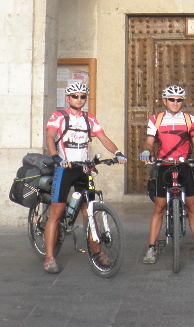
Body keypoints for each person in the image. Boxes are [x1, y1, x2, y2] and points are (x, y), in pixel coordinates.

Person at [44, 82, 127, 274]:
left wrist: (118, 153)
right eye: (75, 96)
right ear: (68, 98)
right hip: (64, 168)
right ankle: (49, 257)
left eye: (83, 97)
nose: (79, 100)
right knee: (56, 212)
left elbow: (103, 137)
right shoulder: (59, 116)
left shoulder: (89, 119)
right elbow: (50, 137)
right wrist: (56, 157)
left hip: (83, 169)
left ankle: (96, 252)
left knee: (88, 212)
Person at [138, 85, 194, 264]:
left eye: (179, 100)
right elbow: (149, 142)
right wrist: (146, 151)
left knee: (192, 207)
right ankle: (151, 249)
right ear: (165, 101)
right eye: (171, 99)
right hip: (164, 165)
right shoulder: (155, 119)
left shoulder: (189, 119)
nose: (175, 103)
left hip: (184, 165)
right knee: (159, 208)